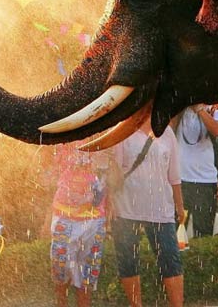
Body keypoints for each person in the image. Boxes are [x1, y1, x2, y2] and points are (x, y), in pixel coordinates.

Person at [110, 117, 185, 307]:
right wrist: (109, 201)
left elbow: (174, 175)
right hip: (126, 208)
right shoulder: (123, 130)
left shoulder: (166, 133)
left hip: (161, 209)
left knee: (170, 259)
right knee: (128, 261)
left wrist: (179, 206)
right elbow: (115, 172)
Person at [45, 141, 108, 307]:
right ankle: (61, 303)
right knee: (60, 267)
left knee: (88, 271)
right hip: (64, 214)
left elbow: (109, 171)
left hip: (94, 216)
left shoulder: (104, 135)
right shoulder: (61, 136)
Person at [177, 104, 218, 239]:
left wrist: (200, 110)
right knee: (177, 229)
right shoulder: (180, 111)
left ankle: (201, 258)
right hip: (180, 179)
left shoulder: (215, 110)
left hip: (205, 180)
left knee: (203, 231)